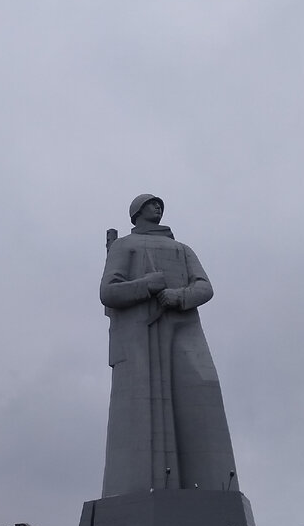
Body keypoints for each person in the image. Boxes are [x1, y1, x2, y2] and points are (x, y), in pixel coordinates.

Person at [99, 194, 240, 497]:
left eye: (160, 204)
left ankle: (215, 491)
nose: (158, 207)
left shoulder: (182, 250)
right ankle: (140, 491)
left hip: (184, 328)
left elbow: (204, 286)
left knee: (203, 390)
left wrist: (179, 296)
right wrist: (147, 285)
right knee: (142, 412)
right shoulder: (125, 246)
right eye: (151, 204)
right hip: (140, 337)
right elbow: (108, 292)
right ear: (136, 213)